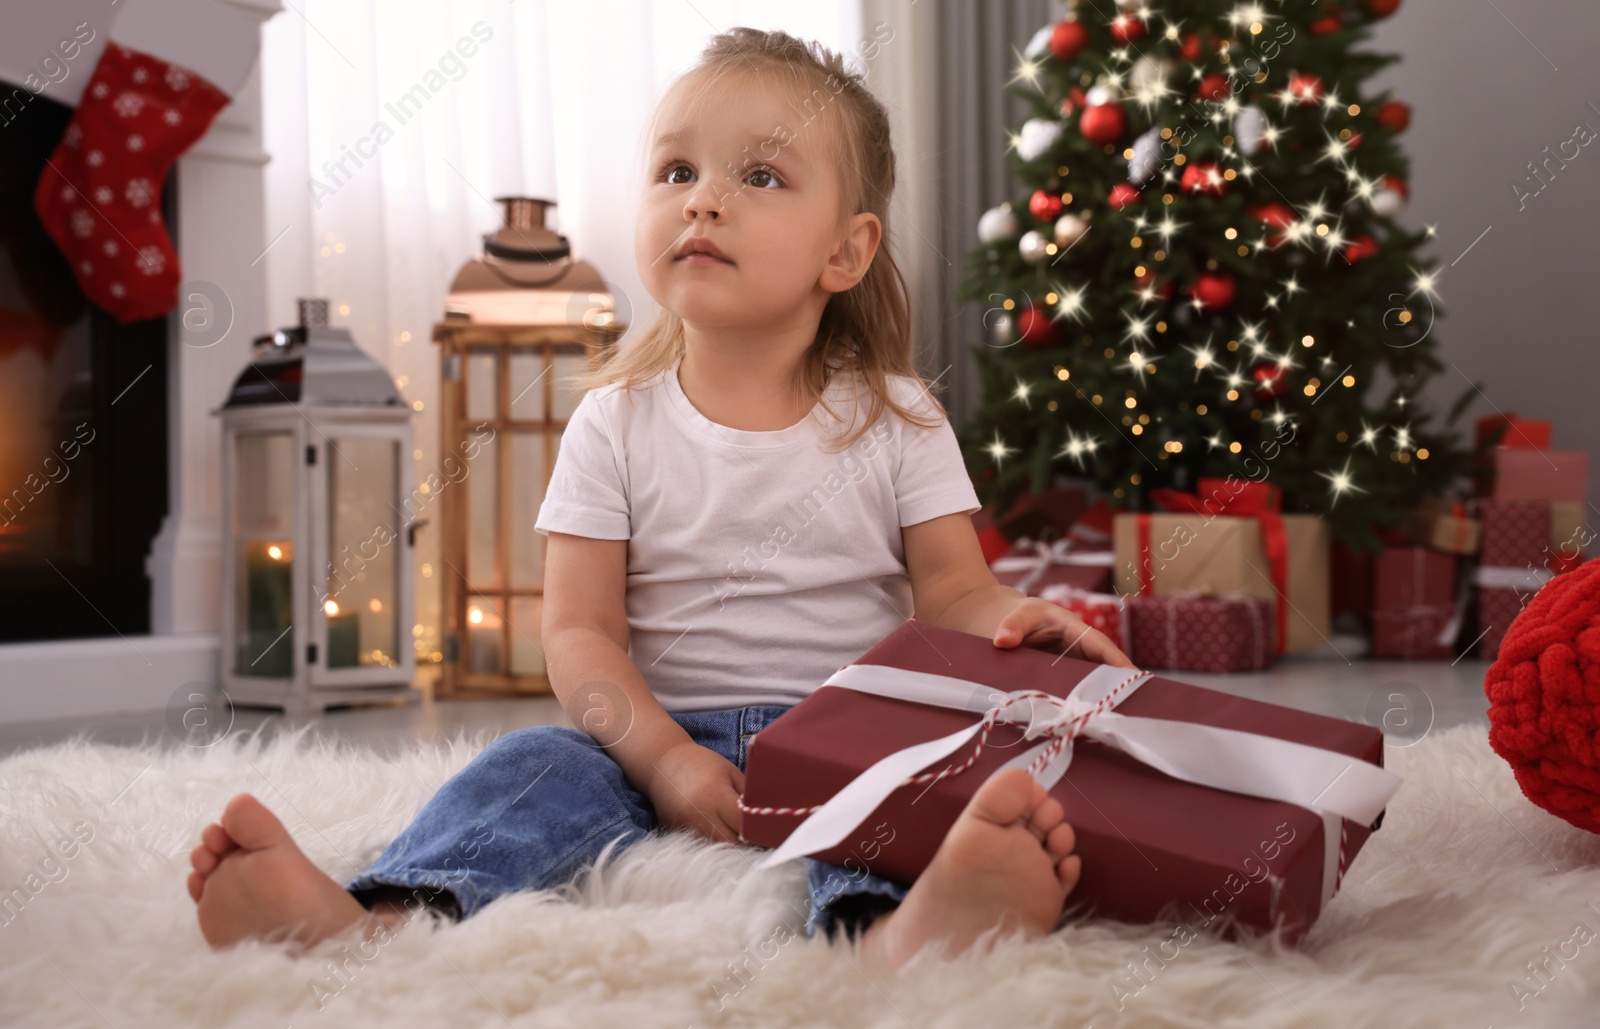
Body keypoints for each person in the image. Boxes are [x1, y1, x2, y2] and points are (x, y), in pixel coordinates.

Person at [187, 26, 1132, 971]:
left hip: (847, 735)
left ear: (845, 252)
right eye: (677, 171)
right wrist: (666, 759)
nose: (705, 199)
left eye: (759, 177)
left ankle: (890, 932)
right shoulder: (613, 423)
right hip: (652, 739)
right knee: (531, 767)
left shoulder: (898, 417)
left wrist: (1020, 620)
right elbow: (580, 634)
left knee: (925, 776)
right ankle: (380, 916)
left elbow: (956, 596)